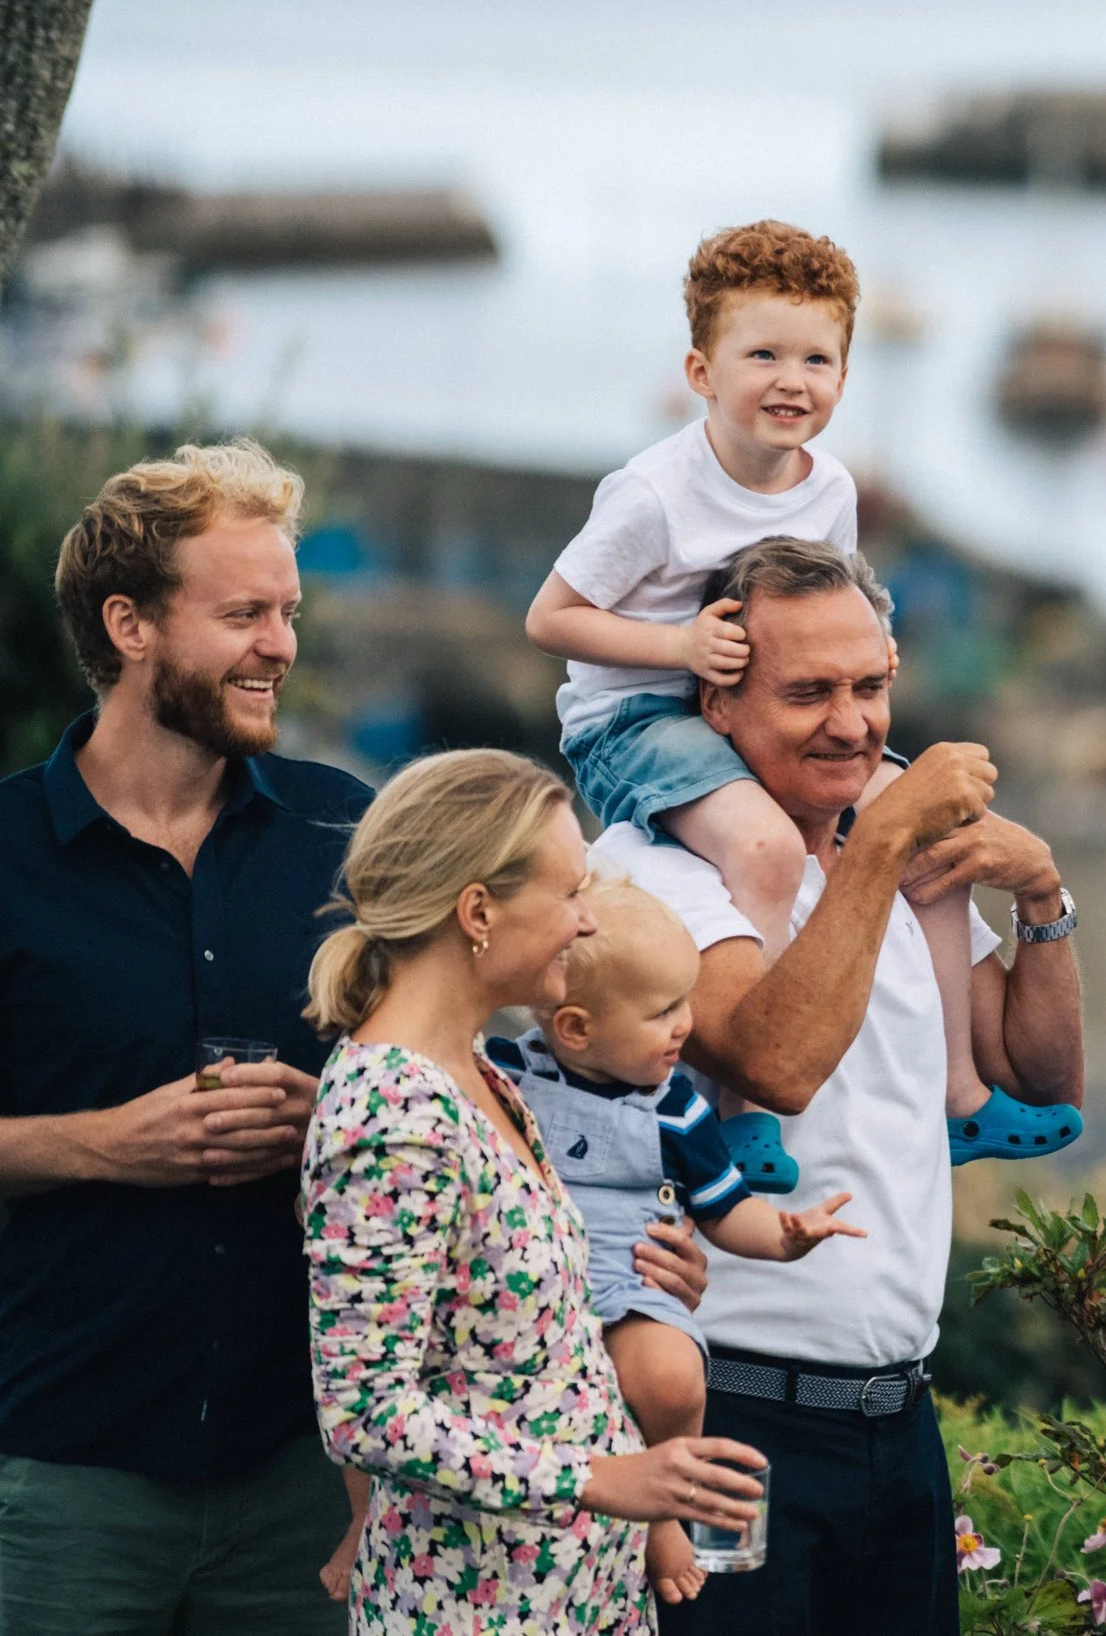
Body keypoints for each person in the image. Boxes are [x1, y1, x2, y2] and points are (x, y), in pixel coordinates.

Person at [597, 537, 1084, 1636]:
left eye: (871, 688)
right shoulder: (654, 872)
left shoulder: (889, 872)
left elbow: (1040, 1074)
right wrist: (891, 837)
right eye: (808, 691)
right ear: (715, 705)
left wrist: (1043, 894)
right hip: (728, 1411)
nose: (855, 725)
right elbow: (773, 1062)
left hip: (896, 1420)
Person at [523, 220, 1071, 1166]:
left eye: (817, 358)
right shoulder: (654, 493)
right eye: (762, 354)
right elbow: (551, 618)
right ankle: (744, 1110)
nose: (791, 379)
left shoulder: (831, 491)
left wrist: (876, 647)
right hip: (636, 717)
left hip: (751, 702)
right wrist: (678, 644)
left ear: (845, 378)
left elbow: (841, 600)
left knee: (922, 824)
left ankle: (959, 1093)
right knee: (769, 847)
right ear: (701, 372)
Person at [0, 441, 369, 1633]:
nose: (281, 644)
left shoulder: (345, 832)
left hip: (304, 1482)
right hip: (58, 1479)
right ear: (131, 624)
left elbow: (452, 1074)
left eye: (289, 611)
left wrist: (337, 1119)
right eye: (245, 612)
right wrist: (109, 1142)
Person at [301, 749, 769, 1634]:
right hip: (477, 1601)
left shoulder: (482, 1072)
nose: (587, 923)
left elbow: (528, 1340)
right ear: (478, 911)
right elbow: (365, 1409)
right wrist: (598, 1477)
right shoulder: (393, 1109)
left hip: (574, 1587)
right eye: (569, 894)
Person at [487, 878, 869, 1604]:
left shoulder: (677, 1110)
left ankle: (665, 1511)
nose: (686, 1026)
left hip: (630, 1285)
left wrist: (786, 1235)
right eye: (663, 1011)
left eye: (684, 1002)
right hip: (527, 1284)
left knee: (672, 1377)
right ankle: (360, 1519)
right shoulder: (507, 1075)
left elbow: (726, 1209)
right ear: (574, 1028)